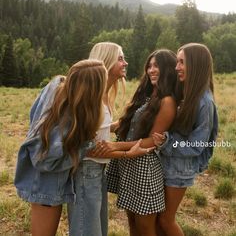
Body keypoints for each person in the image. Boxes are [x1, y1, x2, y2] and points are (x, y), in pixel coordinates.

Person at [67, 42, 153, 236]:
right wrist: (128, 153)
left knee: (97, 230)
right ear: (107, 60)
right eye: (120, 58)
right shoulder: (92, 96)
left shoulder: (103, 93)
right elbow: (90, 148)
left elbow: (97, 130)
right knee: (87, 231)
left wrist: (119, 126)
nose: (125, 63)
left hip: (97, 171)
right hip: (86, 171)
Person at [14, 59, 108, 236]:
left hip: (44, 182)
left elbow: (33, 115)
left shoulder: (55, 86)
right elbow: (45, 160)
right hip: (46, 185)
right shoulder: (70, 118)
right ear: (92, 89)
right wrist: (85, 148)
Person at [105, 49, 178, 236]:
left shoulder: (167, 101)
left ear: (168, 69)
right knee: (132, 223)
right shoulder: (146, 95)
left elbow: (151, 141)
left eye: (157, 66)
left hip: (145, 169)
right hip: (129, 164)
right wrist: (101, 127)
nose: (152, 70)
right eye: (150, 66)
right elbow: (124, 123)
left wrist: (114, 146)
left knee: (146, 228)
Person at [152, 43, 219, 236]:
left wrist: (167, 143)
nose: (177, 67)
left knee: (165, 220)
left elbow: (197, 146)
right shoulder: (186, 92)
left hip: (180, 170)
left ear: (196, 65)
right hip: (169, 164)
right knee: (158, 220)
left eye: (182, 62)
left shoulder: (204, 102)